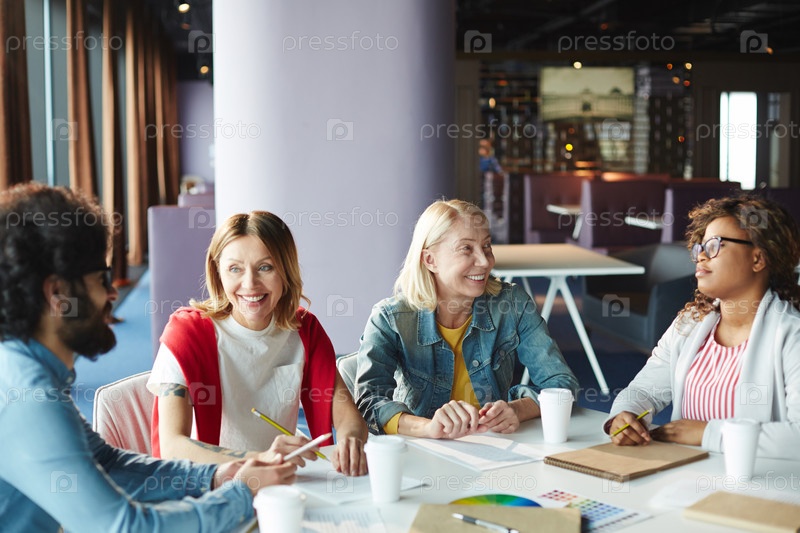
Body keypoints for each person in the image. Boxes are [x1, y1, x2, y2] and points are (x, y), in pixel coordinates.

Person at [0, 183, 294, 533]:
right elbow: (126, 527)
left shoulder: (25, 370)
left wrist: (216, 476)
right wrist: (242, 493)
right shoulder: (28, 397)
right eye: (102, 278)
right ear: (58, 293)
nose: (112, 293)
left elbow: (107, 463)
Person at [148, 211, 368, 476]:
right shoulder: (186, 335)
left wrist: (351, 438)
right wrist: (261, 458)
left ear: (286, 271)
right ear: (218, 273)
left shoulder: (305, 331)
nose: (250, 284)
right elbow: (172, 447)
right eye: (235, 269)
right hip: (212, 483)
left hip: (282, 480)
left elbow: (345, 413)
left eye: (265, 267)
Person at [353, 199, 578, 438]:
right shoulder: (389, 319)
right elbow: (369, 402)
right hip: (421, 448)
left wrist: (517, 409)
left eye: (487, 246)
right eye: (466, 249)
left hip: (496, 447)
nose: (485, 261)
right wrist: (428, 427)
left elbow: (562, 385)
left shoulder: (512, 304)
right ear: (430, 260)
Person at [605, 195, 800, 460]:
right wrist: (624, 415)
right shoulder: (690, 322)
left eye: (715, 245)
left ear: (758, 259)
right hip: (682, 473)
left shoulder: (791, 335)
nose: (701, 256)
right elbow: (644, 391)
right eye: (700, 247)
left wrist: (707, 433)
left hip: (756, 481)